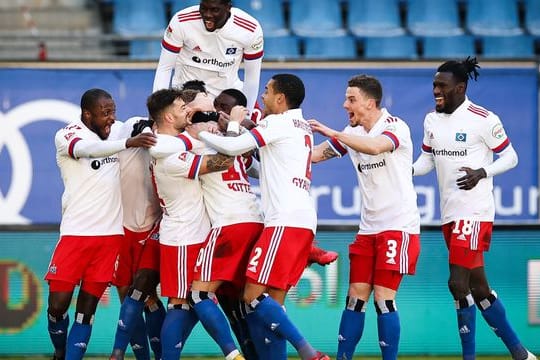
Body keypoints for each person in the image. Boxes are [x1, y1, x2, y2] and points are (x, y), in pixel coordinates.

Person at [196, 73, 330, 360]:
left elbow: (232, 149)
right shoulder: (300, 125)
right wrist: (243, 125)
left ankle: (308, 352)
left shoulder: (277, 122)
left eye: (267, 91)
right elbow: (262, 158)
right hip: (300, 219)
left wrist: (200, 132)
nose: (263, 97)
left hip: (284, 221)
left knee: (252, 297)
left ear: (280, 99)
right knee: (271, 308)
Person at [412, 57, 536, 360]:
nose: (436, 91)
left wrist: (483, 172)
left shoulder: (483, 118)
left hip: (475, 212)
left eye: (442, 86)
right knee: (479, 289)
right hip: (450, 214)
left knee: (457, 283)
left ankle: (469, 358)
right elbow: (427, 161)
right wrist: (403, 171)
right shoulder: (431, 120)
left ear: (461, 87)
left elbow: (511, 157)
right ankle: (521, 354)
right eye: (434, 86)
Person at [308, 75, 421, 360]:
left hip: (398, 227)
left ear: (370, 103)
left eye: (351, 100)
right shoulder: (351, 132)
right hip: (368, 230)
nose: (345, 104)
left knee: (383, 301)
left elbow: (375, 147)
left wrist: (333, 132)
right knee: (355, 298)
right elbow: (316, 155)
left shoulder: (395, 127)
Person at [45, 89, 156, 360]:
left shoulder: (119, 129)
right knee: (58, 305)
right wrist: (128, 143)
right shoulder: (68, 135)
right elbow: (86, 150)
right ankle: (60, 351)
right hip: (75, 234)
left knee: (87, 308)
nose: (111, 118)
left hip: (110, 237)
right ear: (87, 114)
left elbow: (146, 121)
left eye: (113, 111)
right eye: (105, 113)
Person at [147, 88, 246, 360]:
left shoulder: (174, 144)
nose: (188, 114)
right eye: (182, 109)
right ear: (168, 116)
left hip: (198, 233)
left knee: (192, 302)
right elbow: (224, 161)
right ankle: (231, 354)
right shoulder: (168, 155)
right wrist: (234, 126)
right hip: (182, 237)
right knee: (180, 303)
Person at [109, 116, 165, 360]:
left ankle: (160, 354)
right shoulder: (122, 132)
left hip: (151, 228)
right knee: (125, 295)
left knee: (146, 296)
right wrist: (143, 129)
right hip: (122, 229)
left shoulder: (168, 143)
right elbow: (138, 125)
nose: (109, 117)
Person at [153, 0, 264, 116]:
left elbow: (252, 78)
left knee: (254, 123)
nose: (207, 15)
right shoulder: (181, 21)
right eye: (203, 8)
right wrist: (156, 113)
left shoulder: (250, 29)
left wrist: (247, 115)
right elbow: (164, 68)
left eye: (214, 10)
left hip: (226, 99)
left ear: (228, 7)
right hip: (188, 96)